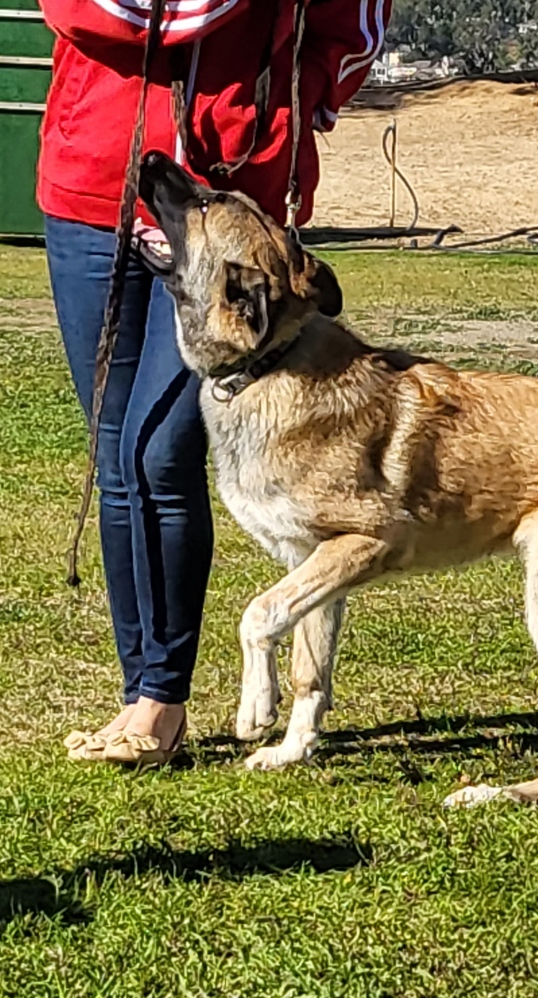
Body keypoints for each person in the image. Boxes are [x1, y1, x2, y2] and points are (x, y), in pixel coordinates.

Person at [39, 0, 391, 765]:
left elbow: (356, 23)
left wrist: (297, 105)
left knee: (158, 452)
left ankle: (158, 705)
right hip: (92, 184)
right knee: (116, 457)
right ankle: (139, 692)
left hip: (234, 204)